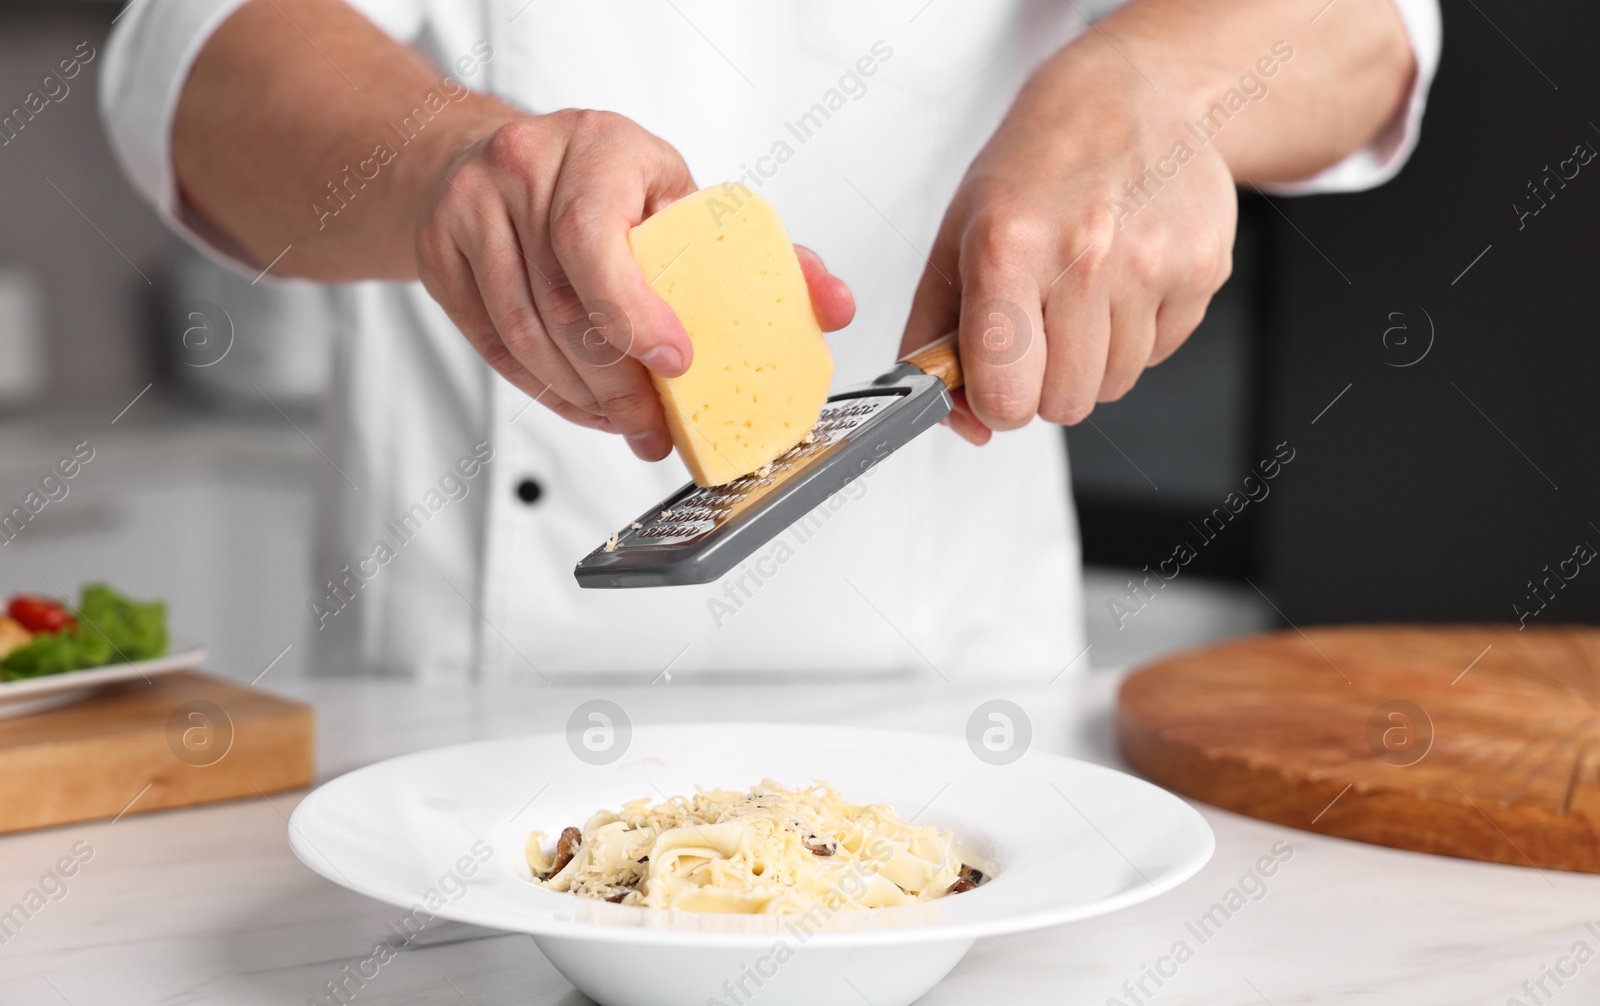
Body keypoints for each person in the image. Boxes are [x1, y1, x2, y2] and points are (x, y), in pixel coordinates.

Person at [102, 0, 1439, 683]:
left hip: (952, 715)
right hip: (444, 715)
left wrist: (1158, 84)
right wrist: (449, 170)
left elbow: (1370, 27)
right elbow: (189, 57)